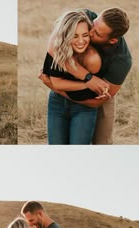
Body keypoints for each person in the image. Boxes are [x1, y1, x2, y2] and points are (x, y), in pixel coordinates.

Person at [40, 7, 132, 145]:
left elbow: (97, 101)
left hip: (96, 95)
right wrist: (88, 78)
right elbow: (54, 46)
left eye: (96, 34)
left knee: (102, 143)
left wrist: (55, 87)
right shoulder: (86, 17)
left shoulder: (121, 61)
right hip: (74, 84)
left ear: (112, 40)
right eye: (93, 25)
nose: (89, 31)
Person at [42, 9, 103, 144]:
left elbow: (87, 95)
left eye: (85, 35)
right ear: (65, 36)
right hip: (56, 103)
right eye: (74, 36)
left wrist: (52, 83)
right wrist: (87, 83)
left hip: (83, 108)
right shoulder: (57, 49)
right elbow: (57, 83)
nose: (81, 41)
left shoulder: (92, 59)